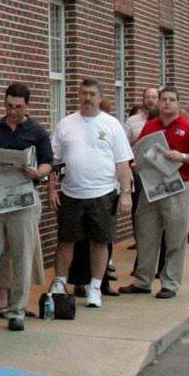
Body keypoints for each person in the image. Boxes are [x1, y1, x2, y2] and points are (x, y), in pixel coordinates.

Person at [0, 83, 53, 332]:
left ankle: (17, 311)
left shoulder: (37, 131)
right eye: (9, 106)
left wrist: (38, 172)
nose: (13, 111)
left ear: (27, 105)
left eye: (18, 107)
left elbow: (48, 162)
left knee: (22, 255)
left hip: (24, 199)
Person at [48, 78, 134, 308]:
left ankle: (95, 287)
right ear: (78, 95)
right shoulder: (66, 124)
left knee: (100, 241)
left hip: (103, 193)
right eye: (83, 93)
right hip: (71, 193)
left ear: (100, 97)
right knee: (65, 240)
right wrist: (51, 189)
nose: (87, 98)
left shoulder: (112, 125)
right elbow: (54, 162)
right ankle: (59, 283)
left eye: (92, 94)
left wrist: (126, 193)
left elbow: (123, 164)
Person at [123, 86, 189, 300]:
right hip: (152, 186)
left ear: (178, 104)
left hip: (178, 186)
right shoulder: (151, 125)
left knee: (175, 235)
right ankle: (143, 280)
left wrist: (182, 156)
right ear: (158, 103)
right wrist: (136, 164)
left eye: (172, 99)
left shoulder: (188, 128)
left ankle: (170, 282)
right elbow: (141, 150)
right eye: (164, 99)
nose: (167, 103)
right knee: (146, 232)